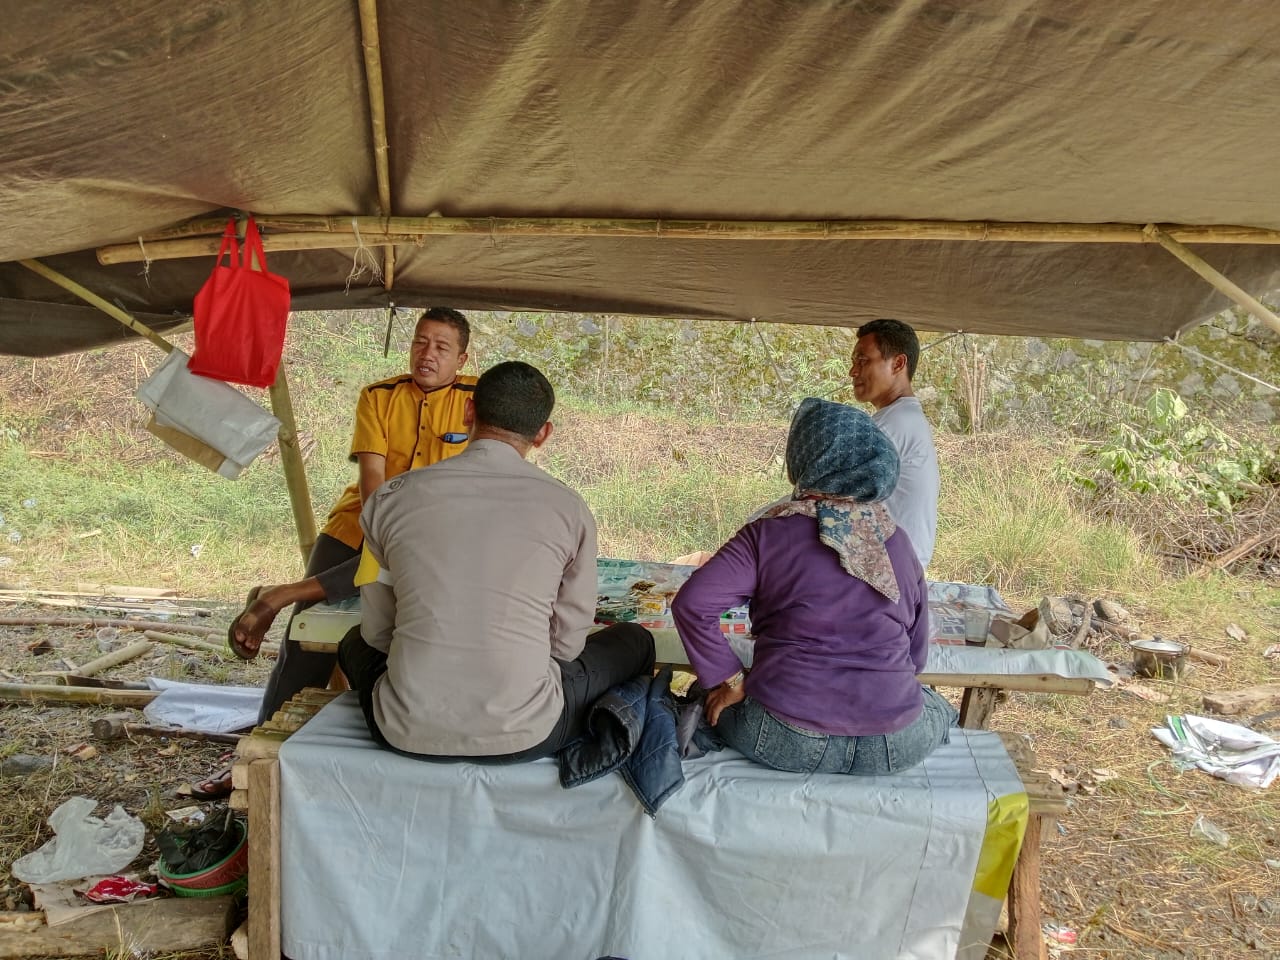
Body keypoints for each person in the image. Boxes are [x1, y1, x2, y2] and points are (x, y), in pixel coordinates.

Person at [190, 309, 477, 798]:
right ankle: (254, 756)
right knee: (303, 643)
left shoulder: (478, 401)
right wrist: (388, 540)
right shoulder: (380, 396)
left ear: (462, 358)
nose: (427, 354)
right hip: (359, 523)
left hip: (433, 536)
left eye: (441, 347)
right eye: (420, 342)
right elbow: (372, 484)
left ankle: (279, 594)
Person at [338, 360, 655, 762]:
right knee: (636, 642)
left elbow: (379, 632)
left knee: (352, 641)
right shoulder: (568, 509)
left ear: (468, 411)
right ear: (542, 434)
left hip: (403, 728)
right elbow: (567, 644)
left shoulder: (391, 498)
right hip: (526, 731)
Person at [671, 397, 955, 776]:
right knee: (936, 707)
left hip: (783, 736)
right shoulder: (897, 541)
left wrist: (732, 680)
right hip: (894, 744)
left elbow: (692, 604)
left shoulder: (766, 534)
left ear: (803, 458)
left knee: (704, 695)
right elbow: (916, 659)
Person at [849, 318, 939, 570]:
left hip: (890, 572)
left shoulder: (896, 423)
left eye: (863, 360)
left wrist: (761, 521)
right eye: (853, 362)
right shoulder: (901, 418)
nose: (853, 371)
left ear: (898, 363)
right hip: (896, 566)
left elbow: (826, 491)